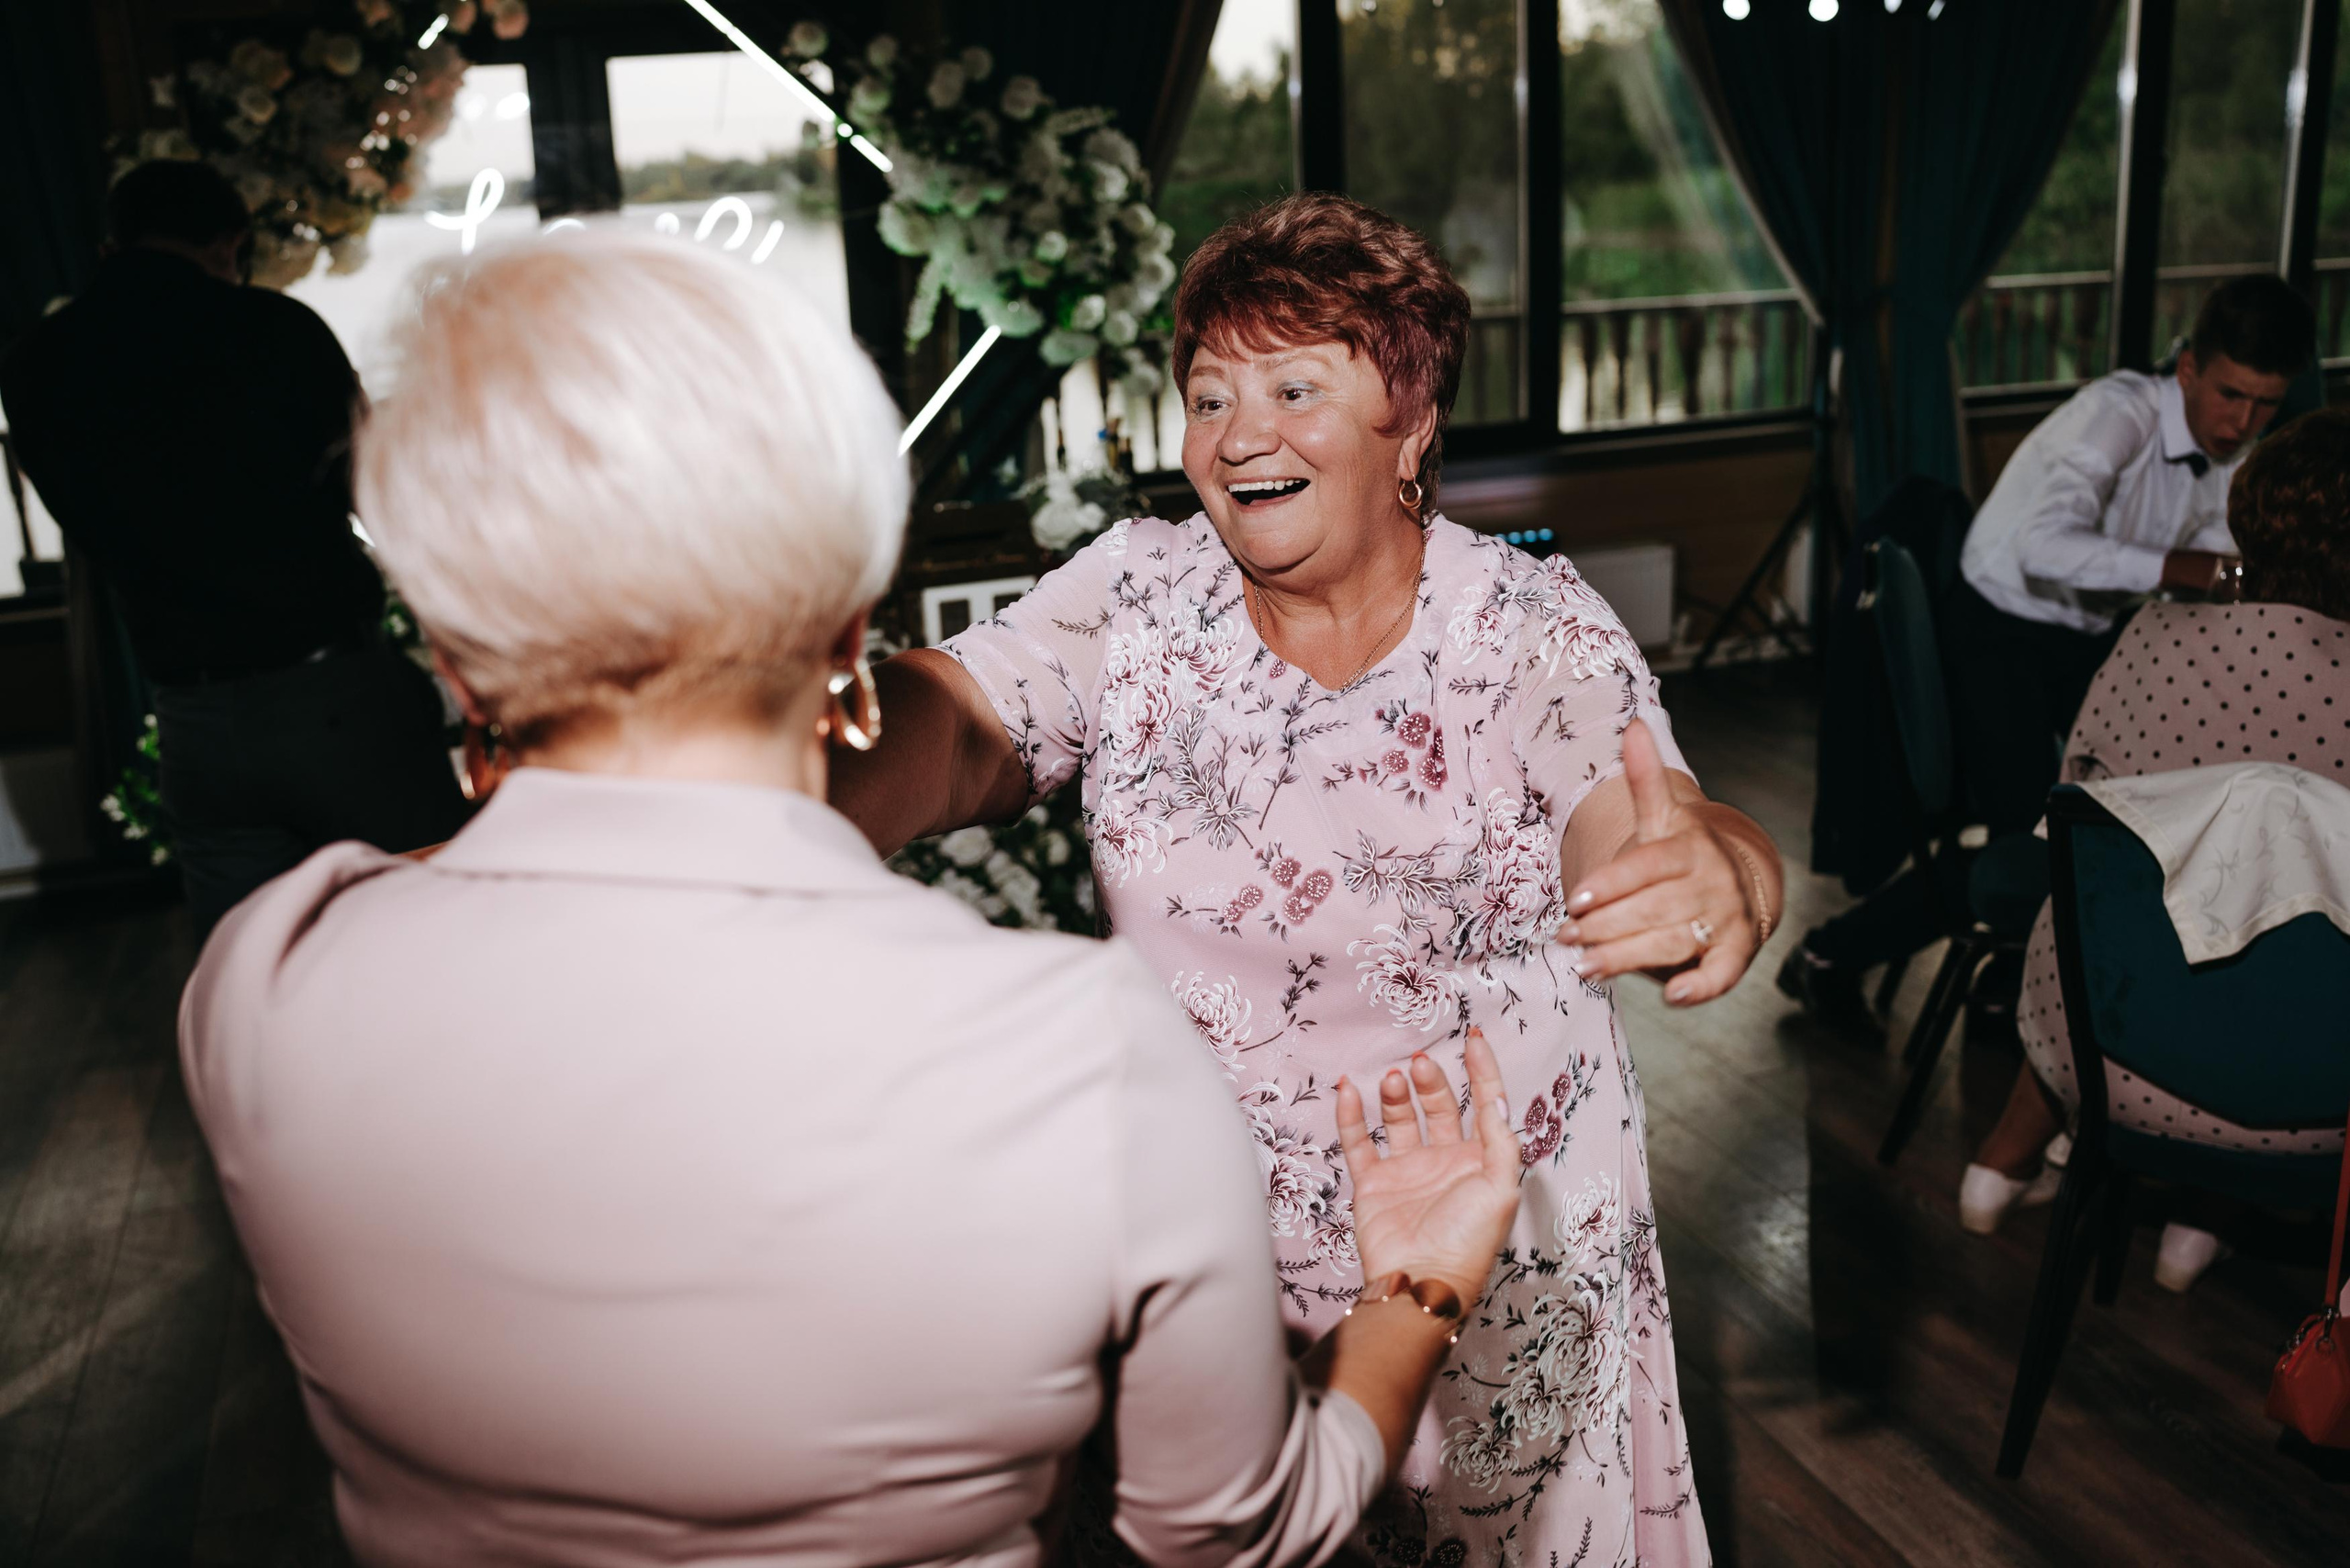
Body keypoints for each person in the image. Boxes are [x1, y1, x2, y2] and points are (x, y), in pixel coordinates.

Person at [180, 232, 1528, 1568]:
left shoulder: (264, 981)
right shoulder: (1079, 1052)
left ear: (451, 653)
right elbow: (1237, 1530)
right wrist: (1411, 1287)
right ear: (847, 632)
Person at [831, 193, 1783, 1566]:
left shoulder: (1525, 624)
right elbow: (960, 719)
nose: (1239, 433)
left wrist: (1720, 866)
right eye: (1209, 396)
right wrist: (773, 789)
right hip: (1226, 1280)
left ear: (1411, 420)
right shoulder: (1138, 600)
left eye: (1294, 386)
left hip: (1495, 1261)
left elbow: (1632, 804)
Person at [1782, 274, 2317, 1028]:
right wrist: (2183, 568)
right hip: (1996, 625)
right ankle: (1840, 953)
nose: (2244, 421)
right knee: (2034, 840)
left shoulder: (2238, 447)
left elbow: (2221, 556)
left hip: (2089, 634)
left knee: (2128, 801)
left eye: (2267, 404)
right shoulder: (2115, 414)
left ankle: (2015, 978)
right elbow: (2044, 548)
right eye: (2232, 395)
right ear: (2190, 368)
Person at [0, 160, 467, 941]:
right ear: (229, 241)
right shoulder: (275, 330)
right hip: (337, 701)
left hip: (192, 717)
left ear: (115, 243)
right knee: (430, 929)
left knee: (247, 966)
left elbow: (81, 521)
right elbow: (378, 494)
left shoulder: (35, 363)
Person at [1955, 407, 2350, 1291]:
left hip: (2116, 1046)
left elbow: (2073, 812)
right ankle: (2201, 1218)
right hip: (2319, 1088)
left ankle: (2014, 1165)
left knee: (2127, 892)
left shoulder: (2150, 642)